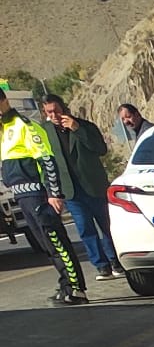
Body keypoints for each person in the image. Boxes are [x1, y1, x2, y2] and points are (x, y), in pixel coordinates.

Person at [0, 86, 87, 305]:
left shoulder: (25, 126)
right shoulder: (4, 130)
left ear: (3, 102)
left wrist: (53, 193)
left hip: (38, 194)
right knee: (46, 246)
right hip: (22, 196)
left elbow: (47, 159)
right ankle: (65, 283)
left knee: (57, 242)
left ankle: (76, 289)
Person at [40, 94, 119, 279]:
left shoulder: (85, 126)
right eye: (49, 112)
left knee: (107, 225)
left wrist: (77, 129)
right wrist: (52, 191)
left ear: (64, 108)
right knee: (85, 229)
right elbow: (45, 163)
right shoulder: (44, 133)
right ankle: (101, 266)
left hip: (94, 186)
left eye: (56, 110)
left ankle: (115, 260)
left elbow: (101, 149)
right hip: (70, 191)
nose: (54, 115)